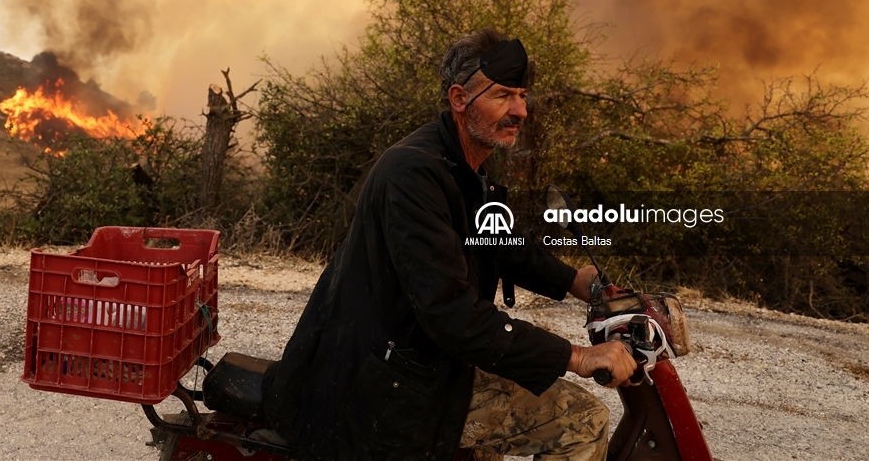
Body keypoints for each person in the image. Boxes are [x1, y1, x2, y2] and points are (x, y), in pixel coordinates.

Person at [262, 28, 636, 461]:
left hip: (418, 362)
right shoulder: (414, 175)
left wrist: (575, 279)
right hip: (380, 384)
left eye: (522, 95)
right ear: (460, 99)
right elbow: (452, 314)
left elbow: (499, 239)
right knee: (583, 421)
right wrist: (576, 356)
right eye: (502, 96)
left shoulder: (466, 164)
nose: (520, 110)